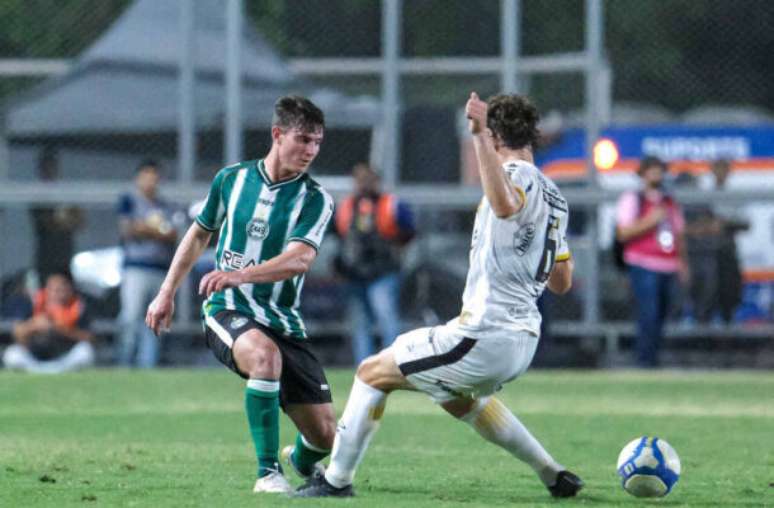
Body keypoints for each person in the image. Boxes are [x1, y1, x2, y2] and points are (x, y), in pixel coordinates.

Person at [295, 92, 583, 499]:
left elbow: (503, 204)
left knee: (371, 373)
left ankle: (335, 480)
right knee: (456, 398)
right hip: (523, 339)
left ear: (495, 136)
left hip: (486, 333)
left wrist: (478, 134)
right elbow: (562, 281)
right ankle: (553, 474)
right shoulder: (556, 198)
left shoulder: (516, 176)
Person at [145, 96, 337, 495]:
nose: (310, 151)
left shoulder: (316, 198)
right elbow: (199, 233)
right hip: (227, 308)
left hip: (282, 319)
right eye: (303, 140)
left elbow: (300, 260)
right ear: (277, 134)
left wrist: (240, 273)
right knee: (264, 358)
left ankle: (299, 460)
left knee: (327, 437)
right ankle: (268, 474)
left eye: (317, 142)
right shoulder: (231, 180)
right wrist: (166, 292)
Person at [333, 163, 415, 364]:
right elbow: (337, 235)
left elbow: (409, 230)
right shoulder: (346, 206)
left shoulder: (391, 204)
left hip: (383, 271)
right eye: (360, 180)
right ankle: (365, 366)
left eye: (368, 180)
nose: (364, 185)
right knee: (360, 324)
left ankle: (393, 363)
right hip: (355, 273)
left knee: (386, 319)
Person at [615, 156, 688, 367]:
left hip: (668, 264)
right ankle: (644, 360)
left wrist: (683, 263)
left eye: (659, 170)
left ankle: (654, 356)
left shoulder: (669, 201)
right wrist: (650, 221)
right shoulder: (633, 199)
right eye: (652, 170)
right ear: (643, 174)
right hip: (643, 263)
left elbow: (679, 233)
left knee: (663, 314)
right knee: (649, 313)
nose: (656, 175)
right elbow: (623, 232)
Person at [116, 160, 177, 367]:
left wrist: (147, 229)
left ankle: (147, 366)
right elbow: (128, 230)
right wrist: (155, 231)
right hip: (135, 267)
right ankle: (124, 363)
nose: (151, 180)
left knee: (155, 320)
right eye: (146, 175)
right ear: (138, 178)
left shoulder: (165, 205)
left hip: (160, 269)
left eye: (154, 176)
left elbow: (173, 234)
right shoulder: (129, 200)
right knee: (131, 317)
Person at [684, 160, 747, 323]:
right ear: (712, 171)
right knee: (705, 296)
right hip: (703, 252)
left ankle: (728, 335)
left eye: (724, 169)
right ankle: (704, 336)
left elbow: (745, 223)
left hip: (726, 249)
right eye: (717, 169)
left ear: (729, 171)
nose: (720, 173)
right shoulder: (704, 195)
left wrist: (724, 223)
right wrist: (707, 225)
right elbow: (693, 223)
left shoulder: (735, 195)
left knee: (729, 294)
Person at [2, 272, 94, 374]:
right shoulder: (34, 303)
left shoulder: (78, 306)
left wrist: (57, 328)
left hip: (64, 359)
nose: (57, 293)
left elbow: (89, 338)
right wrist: (34, 325)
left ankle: (57, 372)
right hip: (34, 360)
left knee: (85, 352)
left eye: (62, 289)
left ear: (70, 290)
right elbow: (17, 334)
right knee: (12, 354)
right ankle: (37, 372)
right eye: (53, 289)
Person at [30, 147, 84, 283]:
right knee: (44, 289)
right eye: (45, 167)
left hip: (65, 255)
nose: (49, 170)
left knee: (65, 288)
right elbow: (46, 223)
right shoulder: (36, 194)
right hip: (46, 256)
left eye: (52, 166)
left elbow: (80, 221)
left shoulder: (66, 192)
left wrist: (62, 219)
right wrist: (64, 219)